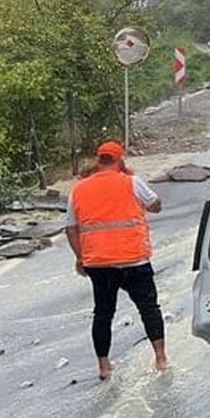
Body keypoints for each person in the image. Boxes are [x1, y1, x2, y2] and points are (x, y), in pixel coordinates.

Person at [65, 141, 168, 380]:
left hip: (99, 264)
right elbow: (156, 206)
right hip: (134, 260)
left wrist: (80, 257)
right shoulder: (131, 181)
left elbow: (70, 229)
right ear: (120, 159)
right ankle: (161, 359)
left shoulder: (78, 189)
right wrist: (134, 184)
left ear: (98, 160)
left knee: (103, 313)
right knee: (149, 308)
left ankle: (103, 366)